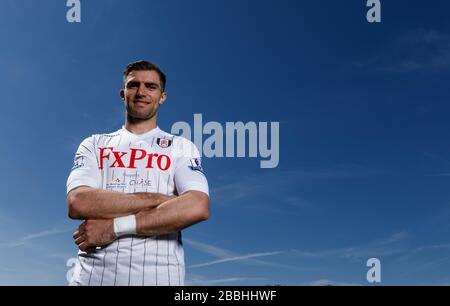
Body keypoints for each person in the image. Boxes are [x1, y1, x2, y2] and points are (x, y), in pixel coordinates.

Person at [66, 60, 209, 286]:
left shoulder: (181, 147)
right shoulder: (94, 144)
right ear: (123, 94)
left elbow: (197, 206)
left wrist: (115, 227)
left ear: (162, 97)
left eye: (151, 86)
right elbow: (79, 202)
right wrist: (161, 200)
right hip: (92, 279)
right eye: (134, 85)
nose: (141, 92)